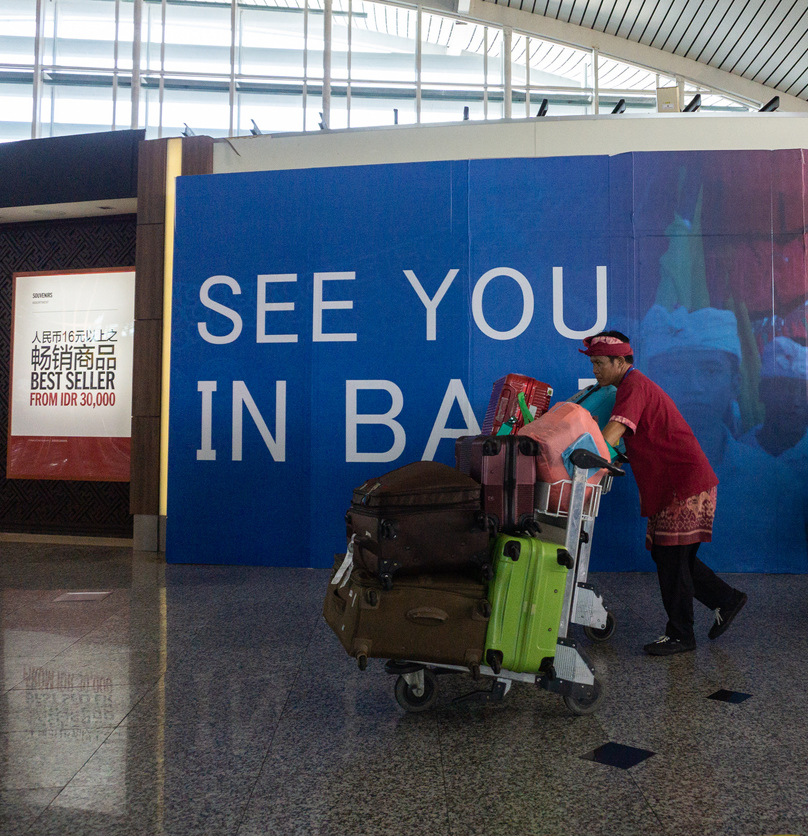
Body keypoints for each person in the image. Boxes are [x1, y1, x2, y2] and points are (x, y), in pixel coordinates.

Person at [580, 330, 747, 656]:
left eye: (600, 363)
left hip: (682, 486)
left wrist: (577, 455)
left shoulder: (632, 387)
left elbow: (611, 435)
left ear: (619, 361)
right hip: (683, 483)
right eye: (593, 364)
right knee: (670, 556)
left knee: (672, 559)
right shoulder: (631, 386)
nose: (595, 370)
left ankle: (681, 634)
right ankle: (726, 600)